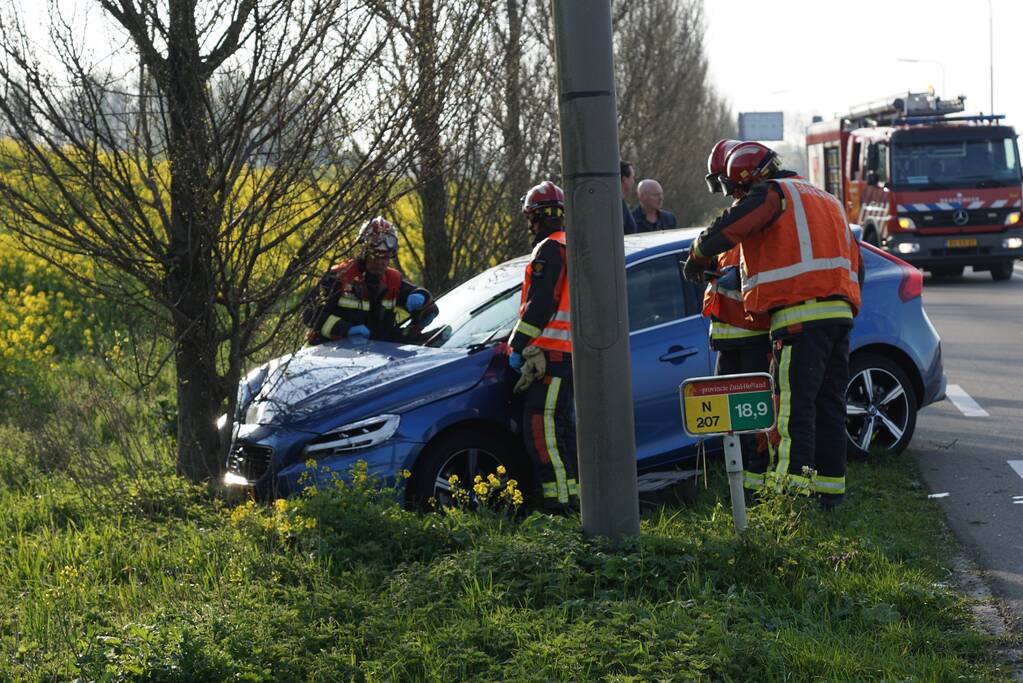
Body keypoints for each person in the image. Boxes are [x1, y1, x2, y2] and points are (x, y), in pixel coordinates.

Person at [683, 141, 863, 509]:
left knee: (792, 411)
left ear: (748, 180)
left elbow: (728, 228)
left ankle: (788, 499)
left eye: (735, 189)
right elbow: (858, 265)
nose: (735, 196)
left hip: (798, 319)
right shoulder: (826, 199)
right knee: (829, 406)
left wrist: (698, 253)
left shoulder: (771, 193)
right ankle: (829, 494)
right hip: (839, 317)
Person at [701, 139, 773, 496]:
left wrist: (734, 281)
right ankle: (742, 492)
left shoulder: (755, 216)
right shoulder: (737, 218)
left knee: (756, 421)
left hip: (754, 337)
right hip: (728, 341)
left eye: (723, 184)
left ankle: (757, 492)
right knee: (730, 421)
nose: (724, 193)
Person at [507, 180, 579, 514]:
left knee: (543, 432)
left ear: (534, 217)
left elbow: (540, 305)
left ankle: (560, 509)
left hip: (552, 357)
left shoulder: (549, 249)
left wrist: (516, 344)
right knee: (561, 433)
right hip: (567, 356)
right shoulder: (572, 245)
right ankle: (573, 500)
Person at [303, 216, 437, 345]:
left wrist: (422, 296)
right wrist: (345, 329)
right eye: (375, 255)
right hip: (327, 355)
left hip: (373, 358)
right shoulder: (338, 276)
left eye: (385, 257)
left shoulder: (392, 280)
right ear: (363, 253)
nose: (379, 262)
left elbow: (429, 307)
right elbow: (310, 314)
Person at [621, 160, 638, 235]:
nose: (633, 181)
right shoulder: (616, 206)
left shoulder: (620, 203)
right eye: (632, 178)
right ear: (624, 179)